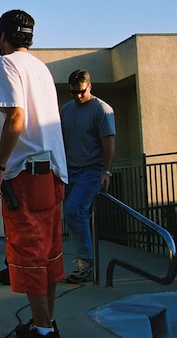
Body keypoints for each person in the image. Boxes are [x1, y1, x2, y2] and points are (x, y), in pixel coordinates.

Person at [0, 10, 67, 338]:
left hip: (25, 175)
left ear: (3, 36)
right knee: (48, 253)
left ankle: (44, 331)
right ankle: (43, 323)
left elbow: (16, 117)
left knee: (28, 251)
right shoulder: (41, 69)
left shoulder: (5, 65)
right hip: (54, 173)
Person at [61, 69, 115, 284]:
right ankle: (80, 258)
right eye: (73, 93)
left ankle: (85, 262)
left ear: (89, 87)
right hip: (69, 169)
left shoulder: (102, 110)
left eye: (81, 92)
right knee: (68, 213)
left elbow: (109, 141)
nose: (77, 96)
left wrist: (106, 172)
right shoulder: (66, 110)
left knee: (75, 210)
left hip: (92, 170)